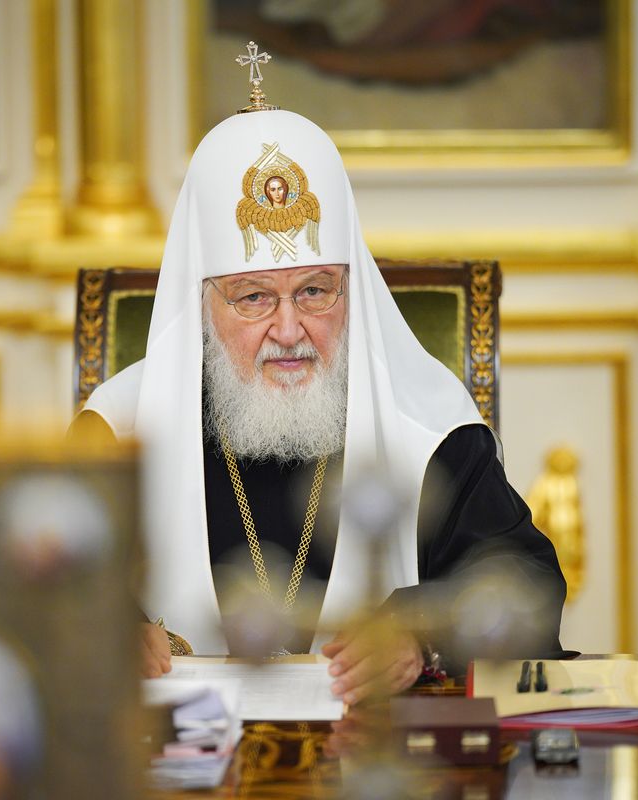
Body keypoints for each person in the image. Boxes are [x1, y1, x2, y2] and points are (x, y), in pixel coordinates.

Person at [76, 86, 565, 704]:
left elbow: (527, 582)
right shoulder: (116, 431)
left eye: (314, 291)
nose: (288, 331)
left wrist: (421, 637)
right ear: (202, 302)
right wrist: (107, 628)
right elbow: (52, 587)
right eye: (254, 297)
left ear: (349, 288)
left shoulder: (427, 426)